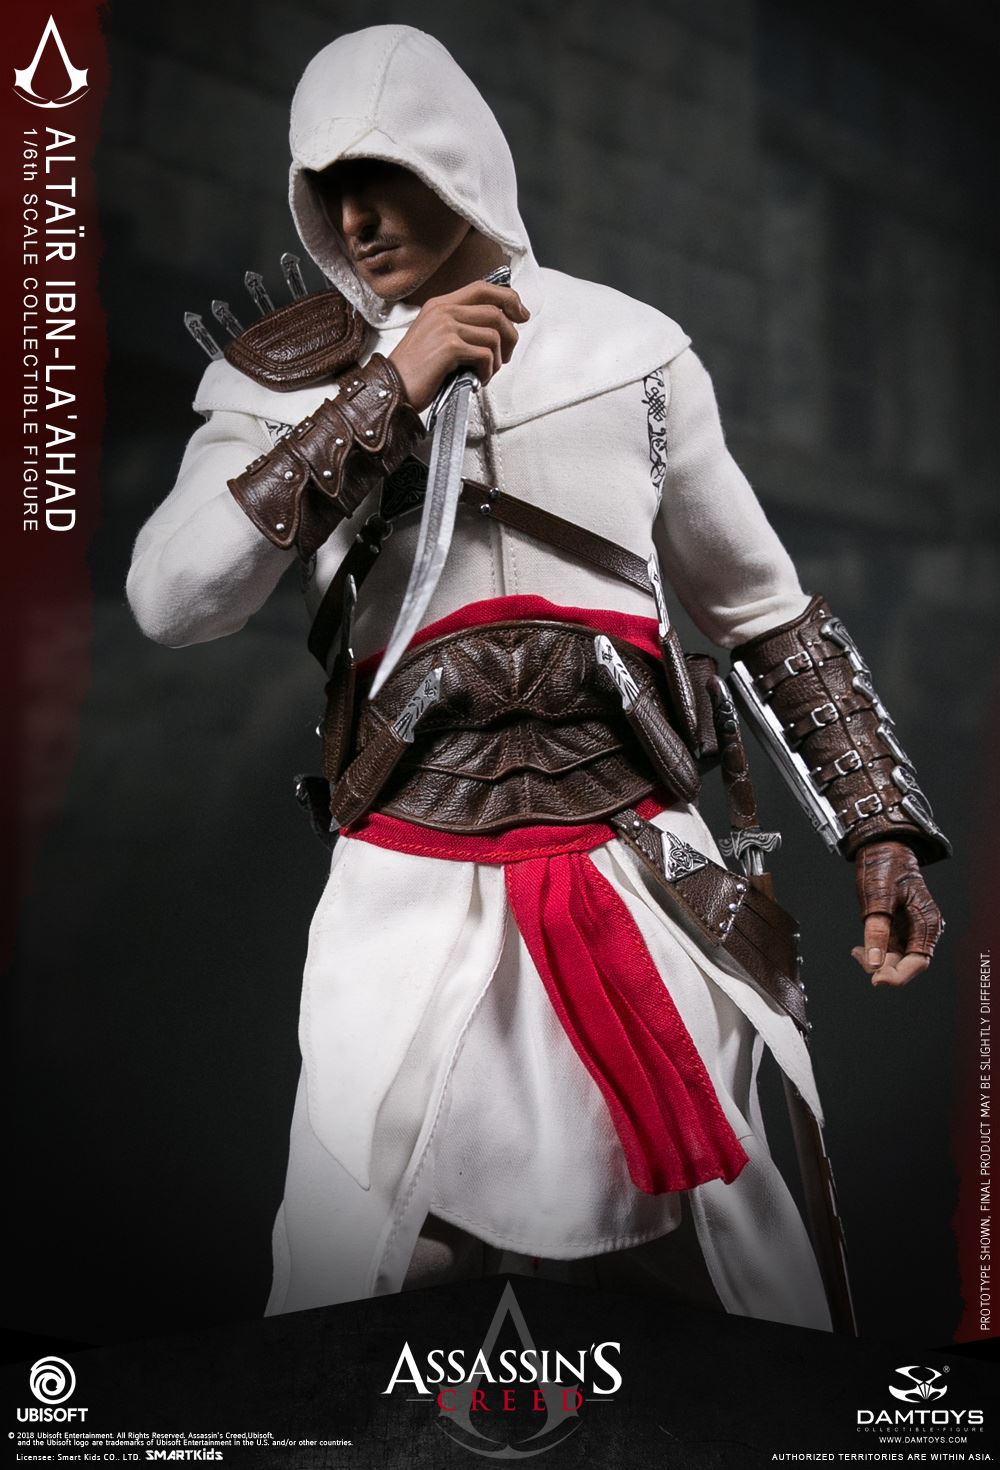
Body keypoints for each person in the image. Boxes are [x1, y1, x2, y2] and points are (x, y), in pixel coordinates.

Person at [126, 25, 947, 1331]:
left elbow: (766, 611)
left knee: (734, 1314)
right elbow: (174, 597)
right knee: (355, 1284)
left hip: (640, 877)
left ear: (458, 166)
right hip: (407, 893)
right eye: (328, 185)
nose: (356, 216)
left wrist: (880, 827)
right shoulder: (288, 375)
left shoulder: (634, 351)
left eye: (385, 174)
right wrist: (382, 390)